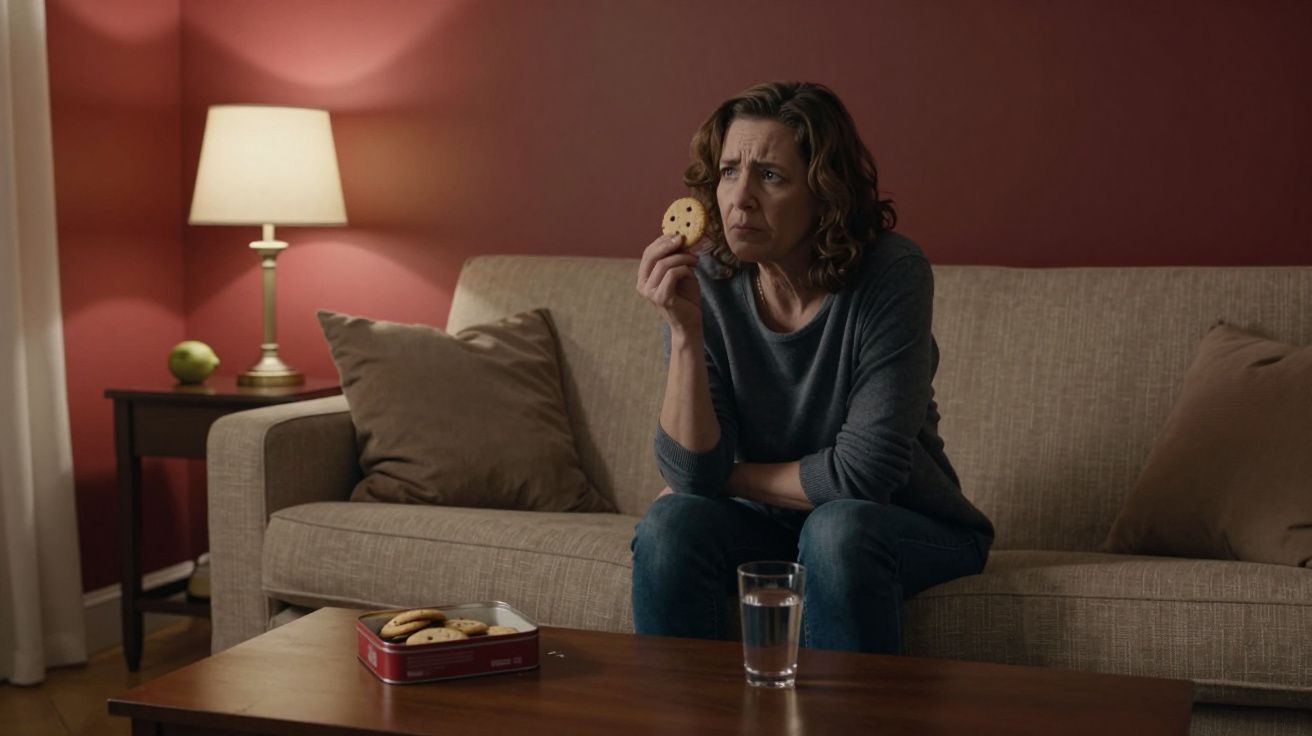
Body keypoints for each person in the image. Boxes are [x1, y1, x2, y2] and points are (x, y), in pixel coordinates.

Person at [631, 81, 994, 655]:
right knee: (670, 528)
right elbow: (691, 474)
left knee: (836, 530)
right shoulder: (708, 283)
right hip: (770, 523)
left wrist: (728, 476)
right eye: (728, 172)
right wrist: (684, 333)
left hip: (901, 523)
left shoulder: (891, 274)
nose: (739, 199)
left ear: (825, 194)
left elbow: (863, 474)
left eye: (770, 176)